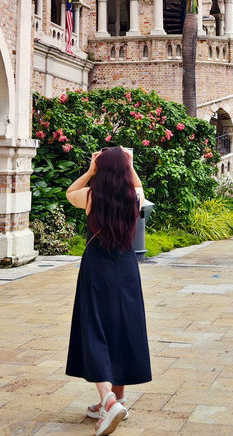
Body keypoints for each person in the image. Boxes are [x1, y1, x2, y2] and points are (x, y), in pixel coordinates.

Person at [65, 146, 152, 435]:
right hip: (126, 269)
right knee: (121, 328)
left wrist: (91, 170)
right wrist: (129, 164)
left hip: (97, 269)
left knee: (94, 329)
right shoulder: (134, 197)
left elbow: (69, 192)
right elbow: (138, 185)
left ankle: (109, 399)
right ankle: (119, 398)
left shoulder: (91, 196)